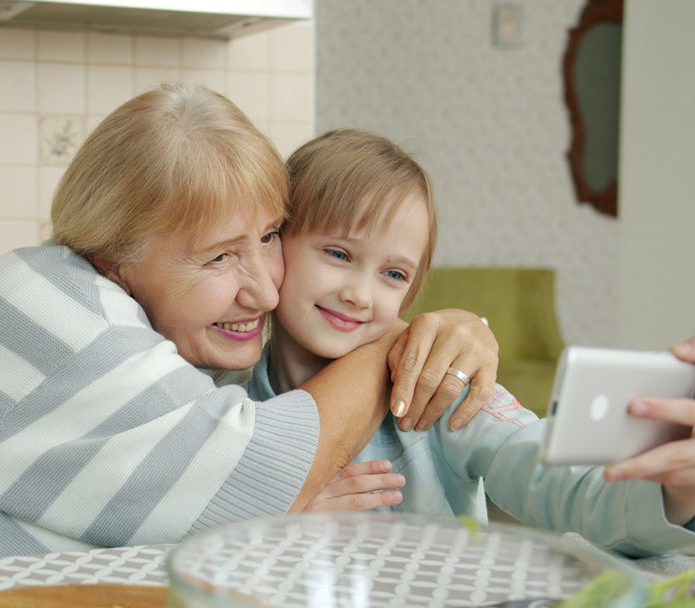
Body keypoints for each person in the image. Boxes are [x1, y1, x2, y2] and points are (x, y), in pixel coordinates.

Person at [0, 84, 499, 591]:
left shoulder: (157, 335)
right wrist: (397, 341)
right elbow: (264, 474)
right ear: (117, 249)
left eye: (270, 237)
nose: (266, 288)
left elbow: (182, 520)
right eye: (219, 256)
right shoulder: (51, 309)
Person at [246, 127, 695, 557]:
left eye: (393, 274)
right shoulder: (227, 399)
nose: (359, 295)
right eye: (339, 254)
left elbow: (560, 481)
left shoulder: (439, 385)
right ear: (274, 243)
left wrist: (673, 491)